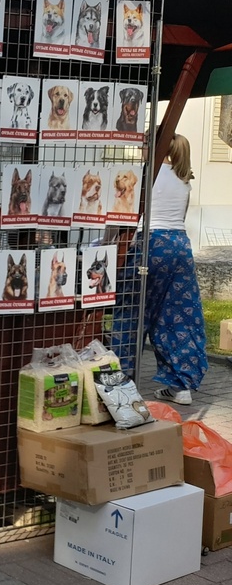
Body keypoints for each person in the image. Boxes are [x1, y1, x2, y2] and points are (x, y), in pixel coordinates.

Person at [112, 134, 207, 404]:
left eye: (143, 145)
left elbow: (126, 214)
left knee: (131, 312)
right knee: (177, 316)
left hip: (149, 244)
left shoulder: (142, 174)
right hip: (179, 246)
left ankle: (121, 383)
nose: (141, 151)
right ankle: (181, 386)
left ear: (152, 147)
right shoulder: (183, 178)